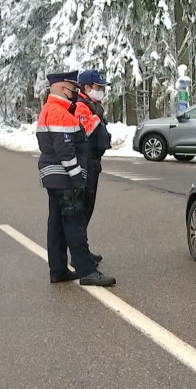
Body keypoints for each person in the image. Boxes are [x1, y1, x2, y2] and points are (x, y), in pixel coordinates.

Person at [36, 70, 116, 287]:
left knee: (57, 223)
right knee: (74, 222)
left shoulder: (52, 108)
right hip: (64, 176)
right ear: (63, 88)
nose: (76, 92)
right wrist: (77, 178)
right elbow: (65, 149)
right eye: (73, 88)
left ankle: (58, 269)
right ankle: (87, 271)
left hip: (55, 175)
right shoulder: (59, 112)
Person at [75, 69, 112, 263]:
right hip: (86, 163)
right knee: (82, 209)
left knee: (87, 208)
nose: (101, 91)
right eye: (98, 87)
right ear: (87, 87)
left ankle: (83, 250)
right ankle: (78, 254)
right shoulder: (82, 106)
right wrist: (96, 117)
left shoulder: (92, 105)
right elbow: (85, 131)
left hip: (93, 162)